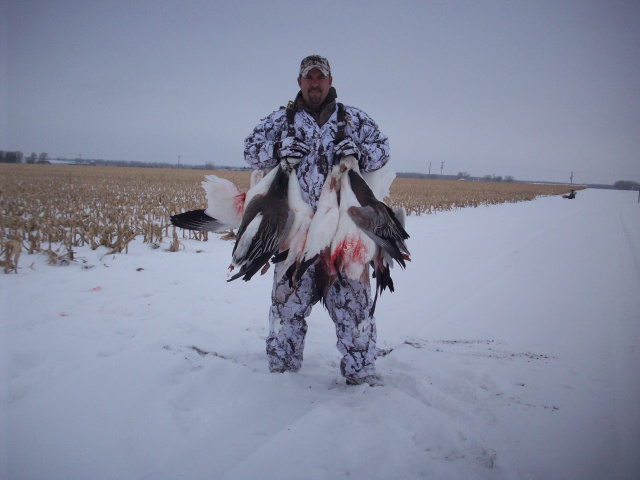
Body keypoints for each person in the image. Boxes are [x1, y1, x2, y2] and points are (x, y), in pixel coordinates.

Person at [244, 55, 390, 386]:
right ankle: (281, 372)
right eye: (308, 77)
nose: (314, 82)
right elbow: (251, 150)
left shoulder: (353, 119)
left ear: (329, 80)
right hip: (295, 234)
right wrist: (278, 149)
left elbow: (382, 151)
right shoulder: (282, 119)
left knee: (354, 307)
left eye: (319, 77)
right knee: (287, 306)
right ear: (299, 82)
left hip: (342, 232)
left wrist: (359, 153)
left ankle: (361, 373)